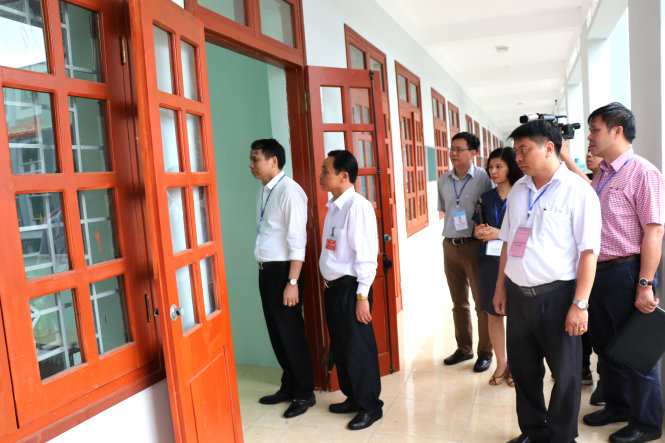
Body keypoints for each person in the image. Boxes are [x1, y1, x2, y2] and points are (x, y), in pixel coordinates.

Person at [493, 120, 601, 443]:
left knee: (566, 375)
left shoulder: (578, 191)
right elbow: (507, 243)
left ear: (549, 148)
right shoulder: (518, 191)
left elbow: (588, 253)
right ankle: (533, 431)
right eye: (516, 152)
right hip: (519, 297)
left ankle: (561, 437)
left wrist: (580, 304)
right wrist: (500, 287)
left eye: (524, 150)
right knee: (525, 372)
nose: (519, 159)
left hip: (558, 298)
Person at [581, 103, 664, 443]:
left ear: (617, 131)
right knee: (606, 347)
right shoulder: (602, 173)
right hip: (597, 273)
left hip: (627, 272)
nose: (590, 137)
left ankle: (646, 423)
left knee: (636, 352)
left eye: (595, 129)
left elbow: (654, 231)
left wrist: (645, 283)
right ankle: (617, 405)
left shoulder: (643, 172)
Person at [250, 139, 315, 418]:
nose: (251, 165)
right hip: (266, 272)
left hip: (284, 273)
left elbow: (297, 241)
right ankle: (288, 386)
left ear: (273, 160)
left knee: (291, 335)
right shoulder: (264, 191)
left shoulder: (291, 192)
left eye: (256, 159)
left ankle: (304, 393)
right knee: (277, 334)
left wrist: (292, 282)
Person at [318, 150, 383, 431]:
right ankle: (353, 398)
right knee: (343, 348)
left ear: (343, 176)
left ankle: (370, 405)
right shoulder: (333, 206)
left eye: (325, 171)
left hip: (351, 290)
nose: (321, 176)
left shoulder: (358, 206)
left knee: (358, 349)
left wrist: (362, 297)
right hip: (333, 289)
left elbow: (367, 256)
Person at [437, 132, 494, 372]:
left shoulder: (483, 179)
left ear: (473, 153)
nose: (453, 154)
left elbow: (493, 209)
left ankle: (485, 352)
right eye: (451, 149)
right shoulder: (444, 180)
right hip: (450, 245)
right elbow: (445, 210)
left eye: (459, 149)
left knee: (481, 303)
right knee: (458, 302)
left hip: (474, 246)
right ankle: (464, 349)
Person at [472, 147, 523, 387]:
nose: (493, 171)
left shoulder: (522, 195)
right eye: (490, 167)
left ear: (510, 167)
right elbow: (476, 228)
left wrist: (499, 234)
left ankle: (516, 363)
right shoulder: (486, 197)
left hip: (515, 263)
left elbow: (526, 233)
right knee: (493, 314)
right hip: (489, 264)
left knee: (516, 317)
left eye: (498, 166)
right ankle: (501, 363)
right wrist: (480, 232)